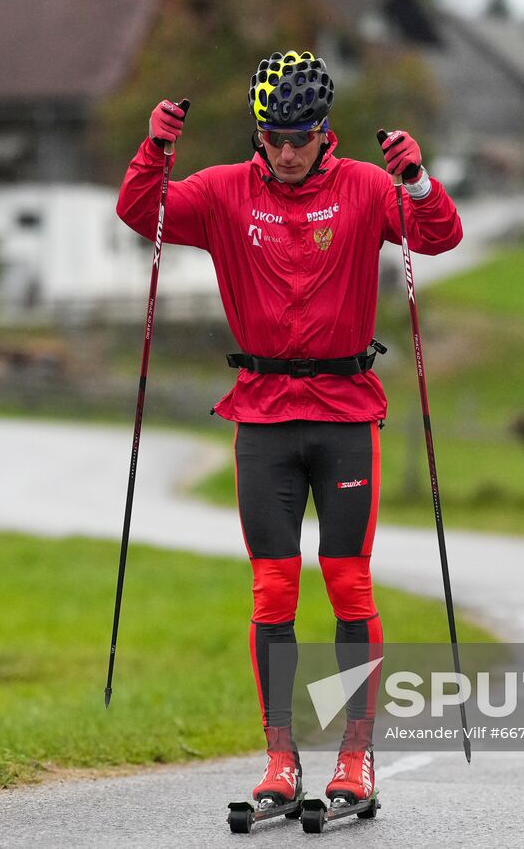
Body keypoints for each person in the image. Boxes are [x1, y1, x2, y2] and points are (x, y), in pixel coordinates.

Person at [115, 50, 462, 807]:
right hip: (263, 416)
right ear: (259, 132)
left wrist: (417, 181)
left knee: (348, 583)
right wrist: (155, 149)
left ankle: (354, 758)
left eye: (300, 135)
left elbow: (440, 237)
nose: (287, 149)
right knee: (273, 591)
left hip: (344, 414)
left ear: (324, 130)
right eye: (274, 135)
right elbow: (145, 213)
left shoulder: (367, 189)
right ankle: (280, 756)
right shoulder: (223, 192)